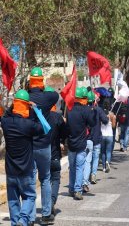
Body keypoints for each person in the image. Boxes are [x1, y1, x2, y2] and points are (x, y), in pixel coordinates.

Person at [2, 90, 44, 226]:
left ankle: (16, 223)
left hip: (10, 170)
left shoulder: (6, 123)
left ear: (15, 104)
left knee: (13, 201)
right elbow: (46, 127)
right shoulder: (29, 125)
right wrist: (36, 110)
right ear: (26, 105)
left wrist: (13, 104)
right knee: (30, 196)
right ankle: (23, 219)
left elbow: (6, 114)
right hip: (26, 169)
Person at [27, 67, 59, 224]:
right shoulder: (47, 98)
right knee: (45, 177)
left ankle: (31, 217)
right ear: (41, 82)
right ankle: (46, 215)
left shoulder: (25, 98)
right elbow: (56, 94)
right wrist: (44, 86)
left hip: (29, 145)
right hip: (44, 145)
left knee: (31, 180)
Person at [66, 87, 96, 200]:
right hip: (81, 144)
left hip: (71, 143)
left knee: (72, 168)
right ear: (84, 98)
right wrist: (92, 112)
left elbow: (67, 127)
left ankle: (71, 189)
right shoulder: (86, 110)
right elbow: (92, 123)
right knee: (79, 168)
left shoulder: (69, 110)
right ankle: (78, 190)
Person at [44, 86, 66, 216]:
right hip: (55, 155)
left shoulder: (37, 116)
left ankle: (47, 205)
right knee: (55, 178)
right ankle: (51, 201)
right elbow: (65, 132)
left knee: (45, 181)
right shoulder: (57, 117)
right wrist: (62, 140)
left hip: (41, 156)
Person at [86, 91, 108, 185]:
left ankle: (87, 176)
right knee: (95, 158)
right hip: (96, 137)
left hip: (87, 138)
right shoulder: (98, 110)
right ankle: (93, 175)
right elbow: (105, 121)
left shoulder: (84, 110)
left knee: (87, 159)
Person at [101, 100, 116, 172]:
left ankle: (103, 167)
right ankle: (108, 162)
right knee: (109, 151)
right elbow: (113, 126)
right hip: (109, 135)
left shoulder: (100, 114)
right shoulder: (112, 114)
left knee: (103, 152)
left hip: (102, 135)